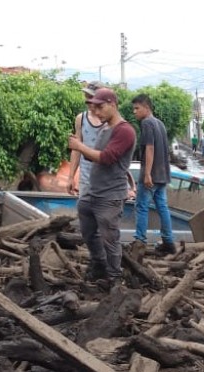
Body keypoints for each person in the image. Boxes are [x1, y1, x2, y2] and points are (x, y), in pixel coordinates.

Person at [68, 87, 136, 285]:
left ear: (112, 104)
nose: (96, 112)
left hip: (110, 195)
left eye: (100, 107)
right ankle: (99, 264)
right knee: (88, 228)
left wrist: (79, 147)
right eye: (93, 107)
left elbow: (107, 158)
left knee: (110, 238)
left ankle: (115, 278)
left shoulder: (125, 131)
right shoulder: (106, 128)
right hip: (93, 191)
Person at [132, 93, 175, 255]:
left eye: (137, 108)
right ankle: (169, 242)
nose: (134, 112)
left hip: (151, 174)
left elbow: (149, 148)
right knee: (162, 207)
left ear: (146, 107)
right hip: (163, 174)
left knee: (141, 206)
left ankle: (140, 241)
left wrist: (147, 174)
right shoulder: (160, 124)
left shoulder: (147, 123)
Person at [67, 81, 105, 196]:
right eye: (86, 96)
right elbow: (76, 149)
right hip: (85, 179)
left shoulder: (109, 121)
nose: (88, 100)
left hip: (106, 181)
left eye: (91, 97)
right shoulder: (81, 119)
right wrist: (71, 177)